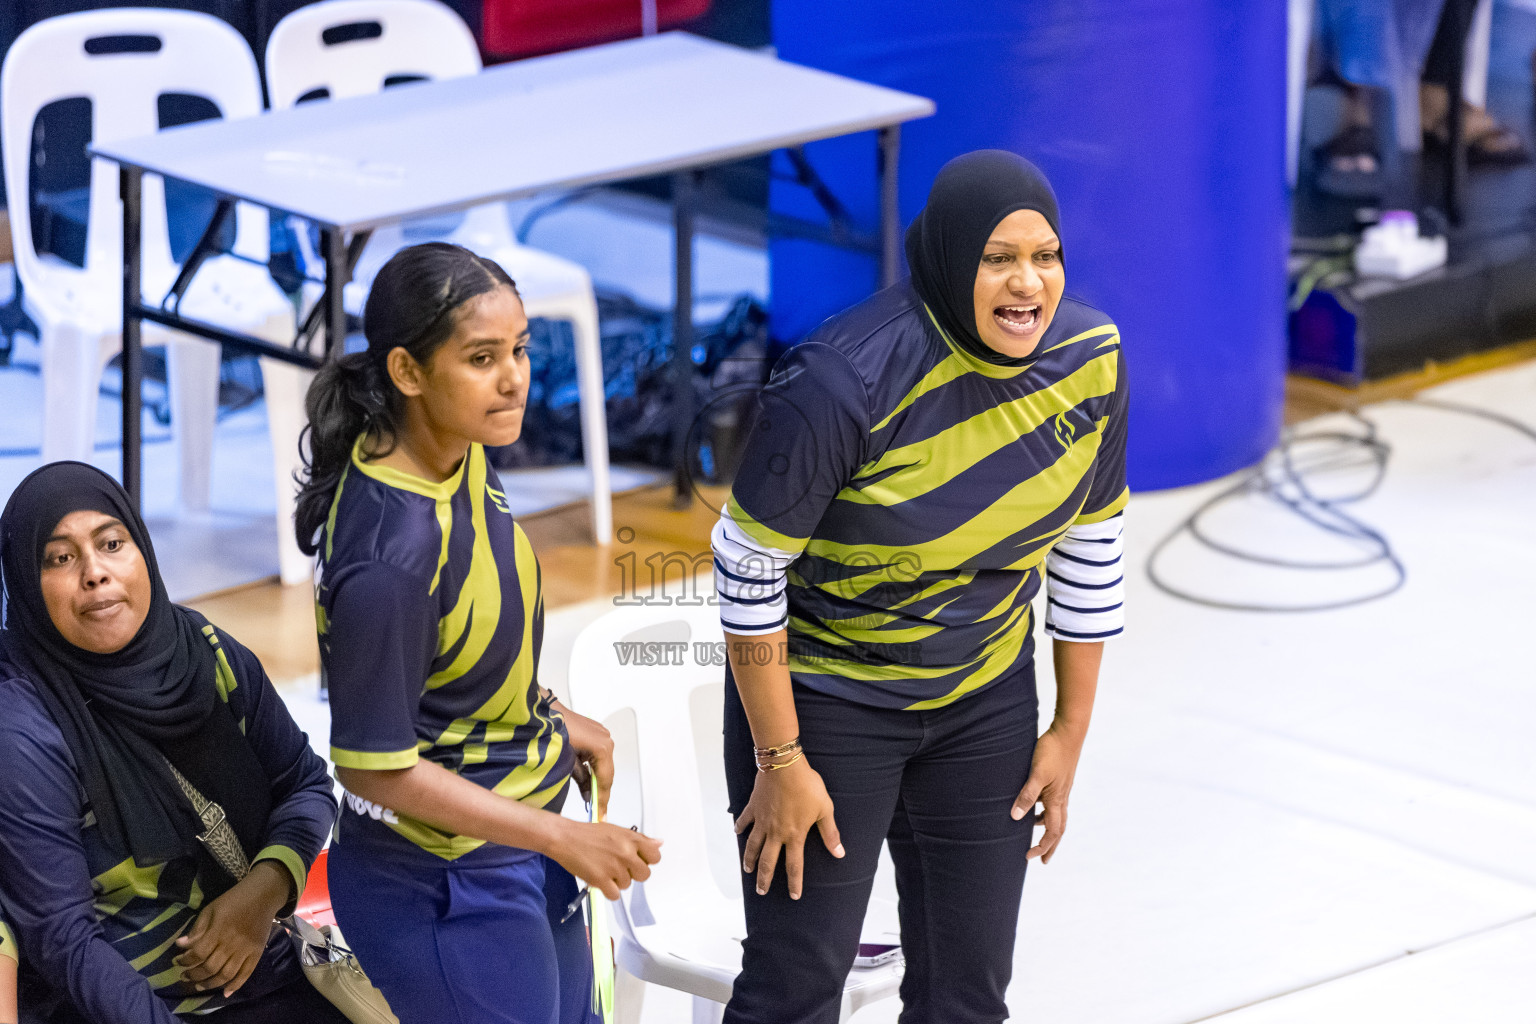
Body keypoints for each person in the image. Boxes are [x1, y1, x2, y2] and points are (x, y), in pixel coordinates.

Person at [711, 150, 1128, 1023]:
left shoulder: (1092, 360)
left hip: (985, 699)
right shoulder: (841, 378)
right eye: (997, 259)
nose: (1027, 284)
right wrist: (779, 760)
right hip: (828, 705)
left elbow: (1092, 547)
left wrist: (1070, 730)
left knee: (967, 995)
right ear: (947, 258)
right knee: (794, 990)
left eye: (1045, 256)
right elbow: (748, 573)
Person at [293, 242, 661, 1024]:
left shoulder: (458, 449)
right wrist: (560, 837)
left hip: (516, 831)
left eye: (521, 349)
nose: (514, 377)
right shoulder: (389, 558)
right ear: (407, 372)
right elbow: (374, 769)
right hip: (438, 879)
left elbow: (464, 644)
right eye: (483, 357)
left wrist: (548, 712)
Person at [0, 462, 344, 1024]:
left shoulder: (202, 651)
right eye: (60, 558)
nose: (95, 573)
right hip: (120, 1008)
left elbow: (305, 784)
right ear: (24, 584)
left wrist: (261, 895)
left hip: (263, 969)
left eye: (112, 543)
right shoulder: (24, 726)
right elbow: (62, 939)